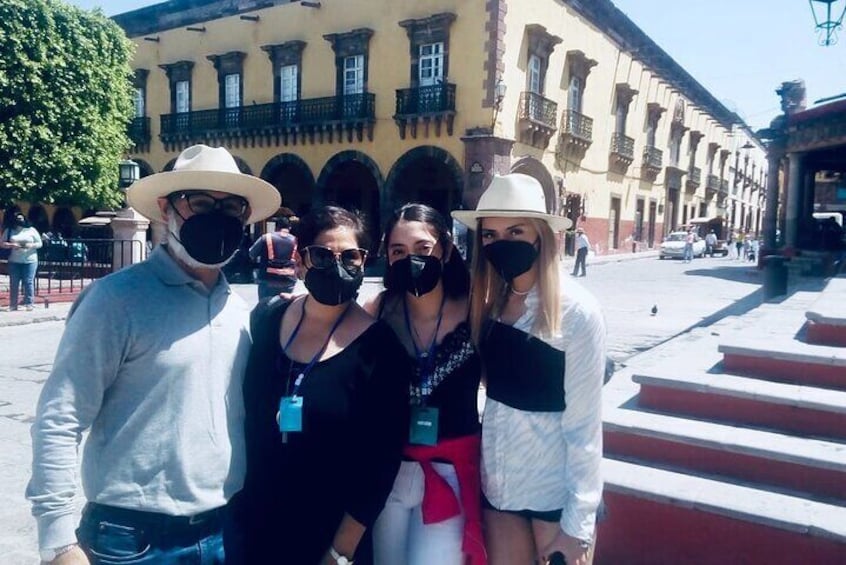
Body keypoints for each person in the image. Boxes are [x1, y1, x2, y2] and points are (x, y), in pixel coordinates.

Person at [26, 144, 281, 565]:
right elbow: (60, 416)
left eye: (231, 208)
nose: (217, 218)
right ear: (166, 209)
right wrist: (57, 541)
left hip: (224, 531)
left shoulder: (238, 310)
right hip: (130, 539)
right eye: (201, 204)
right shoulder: (114, 301)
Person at [237, 205, 411, 564]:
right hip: (253, 525)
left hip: (327, 538)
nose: (337, 266)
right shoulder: (267, 318)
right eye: (322, 255)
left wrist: (340, 552)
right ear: (300, 262)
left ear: (364, 262)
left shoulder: (381, 350)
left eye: (350, 256)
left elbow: (380, 464)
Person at [452, 173, 606, 565]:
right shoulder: (489, 304)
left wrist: (579, 522)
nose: (500, 243)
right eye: (490, 235)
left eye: (515, 231)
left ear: (541, 235)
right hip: (499, 486)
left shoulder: (577, 312)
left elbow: (586, 426)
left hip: (554, 493)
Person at [366, 204, 485, 565]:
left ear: (445, 250)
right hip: (388, 470)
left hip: (450, 471)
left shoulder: (475, 309)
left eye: (423, 248)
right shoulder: (378, 311)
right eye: (398, 251)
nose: (411, 260)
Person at [249, 214, 298, 299]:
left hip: (267, 279)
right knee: (285, 304)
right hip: (288, 280)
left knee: (264, 304)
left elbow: (252, 253)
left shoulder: (266, 237)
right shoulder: (296, 240)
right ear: (289, 228)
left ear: (276, 227)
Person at [1, 211, 43, 311]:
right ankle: (13, 305)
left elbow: (40, 243)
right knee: (14, 282)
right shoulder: (9, 230)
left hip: (30, 260)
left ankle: (29, 303)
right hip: (14, 260)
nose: (19, 220)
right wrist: (11, 245)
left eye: (21, 218)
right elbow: (2, 243)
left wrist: (31, 245)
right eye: (17, 219)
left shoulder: (31, 230)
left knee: (28, 282)